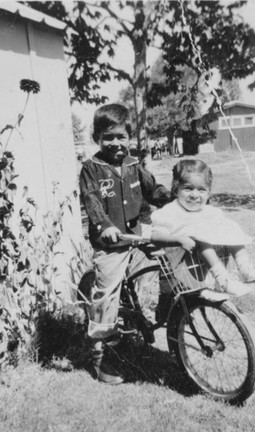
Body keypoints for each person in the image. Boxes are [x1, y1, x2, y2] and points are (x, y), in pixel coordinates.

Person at [79, 104, 170, 385]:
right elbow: (92, 201)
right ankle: (101, 355)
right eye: (108, 137)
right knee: (106, 294)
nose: (116, 143)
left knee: (171, 253)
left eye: (121, 136)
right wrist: (104, 226)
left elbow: (153, 191)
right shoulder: (91, 169)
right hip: (112, 242)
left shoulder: (133, 166)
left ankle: (168, 305)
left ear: (130, 137)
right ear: (97, 139)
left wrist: (177, 201)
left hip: (138, 231)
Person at [150, 159, 255, 297]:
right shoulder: (170, 212)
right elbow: (155, 236)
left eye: (201, 190)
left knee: (229, 226)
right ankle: (224, 281)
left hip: (203, 268)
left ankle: (245, 267)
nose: (195, 195)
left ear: (208, 193)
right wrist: (179, 239)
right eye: (188, 188)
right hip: (184, 267)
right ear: (176, 189)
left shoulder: (207, 211)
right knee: (201, 236)